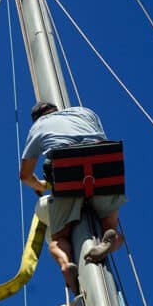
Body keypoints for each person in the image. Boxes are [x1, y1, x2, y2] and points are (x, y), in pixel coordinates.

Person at [19, 101, 125, 293]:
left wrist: (41, 185)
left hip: (68, 178)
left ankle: (66, 264)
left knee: (57, 238)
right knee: (110, 226)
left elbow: (25, 175)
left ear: (37, 118)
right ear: (57, 109)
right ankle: (110, 239)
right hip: (105, 171)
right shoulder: (85, 111)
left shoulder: (38, 126)